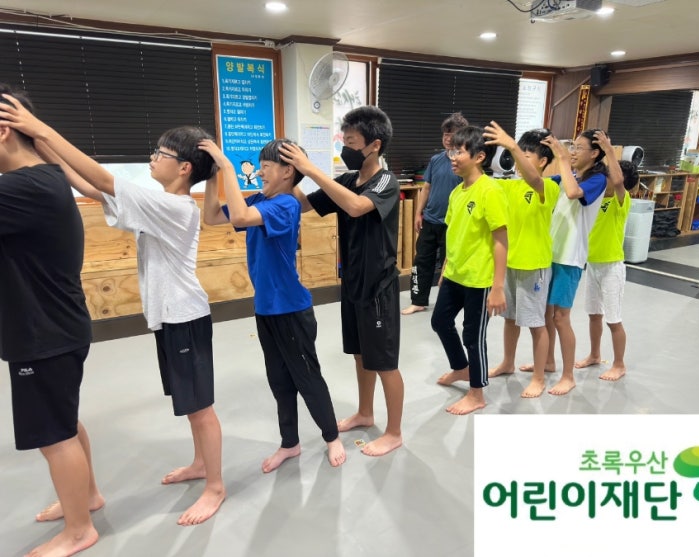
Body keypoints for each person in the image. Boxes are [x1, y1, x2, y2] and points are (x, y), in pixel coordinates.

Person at [1, 95, 226, 526]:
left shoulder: (174, 207)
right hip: (167, 316)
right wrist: (41, 147)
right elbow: (91, 187)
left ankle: (215, 486)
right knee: (189, 402)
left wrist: (40, 129)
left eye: (160, 153)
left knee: (200, 407)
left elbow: (103, 179)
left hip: (185, 316)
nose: (152, 158)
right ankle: (201, 464)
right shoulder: (156, 202)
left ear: (184, 168)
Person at [200, 138, 346, 472]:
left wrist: (226, 166)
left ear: (287, 172)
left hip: (291, 309)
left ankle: (332, 437)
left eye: (266, 166)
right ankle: (289, 443)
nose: (261, 171)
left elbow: (239, 214)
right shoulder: (260, 200)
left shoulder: (285, 205)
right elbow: (211, 216)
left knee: (307, 378)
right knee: (279, 380)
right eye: (261, 165)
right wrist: (210, 176)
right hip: (266, 308)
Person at [0, 85, 103, 557]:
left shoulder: (25, 187)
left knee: (54, 436)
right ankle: (87, 496)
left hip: (43, 332)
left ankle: (80, 530)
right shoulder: (42, 180)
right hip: (52, 328)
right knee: (63, 421)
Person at [278, 106, 404, 457]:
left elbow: (356, 207)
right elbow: (305, 205)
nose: (345, 149)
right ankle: (365, 412)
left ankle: (394, 432)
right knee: (361, 355)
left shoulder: (386, 182)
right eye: (343, 141)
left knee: (385, 362)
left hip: (378, 287)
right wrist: (292, 175)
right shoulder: (347, 180)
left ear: (374, 145)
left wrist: (311, 168)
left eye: (351, 142)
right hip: (352, 282)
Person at [525, 129, 618, 395]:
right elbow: (540, 183)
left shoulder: (598, 179)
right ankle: (548, 362)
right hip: (550, 254)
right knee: (546, 314)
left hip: (570, 258)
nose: (573, 152)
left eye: (578, 148)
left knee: (561, 317)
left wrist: (563, 160)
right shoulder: (568, 174)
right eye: (572, 147)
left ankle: (568, 376)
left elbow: (573, 192)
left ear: (595, 153)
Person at [432, 126, 508, 415]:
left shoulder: (490, 191)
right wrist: (446, 267)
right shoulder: (457, 192)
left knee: (473, 337)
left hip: (480, 279)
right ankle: (461, 368)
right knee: (440, 321)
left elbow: (501, 240)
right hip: (455, 274)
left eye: (459, 151)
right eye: (452, 151)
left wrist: (497, 287)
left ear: (479, 156)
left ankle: (477, 393)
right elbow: (454, 233)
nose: (452, 156)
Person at [483, 124, 560, 398]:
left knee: (536, 324)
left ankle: (539, 377)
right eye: (518, 155)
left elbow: (534, 180)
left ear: (543, 161)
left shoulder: (549, 187)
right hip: (510, 264)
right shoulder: (509, 186)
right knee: (510, 319)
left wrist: (512, 145)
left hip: (534, 265)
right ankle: (508, 362)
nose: (518, 161)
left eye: (526, 156)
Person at [575, 146, 637, 381]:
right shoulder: (597, 199)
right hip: (593, 265)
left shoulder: (622, 201)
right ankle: (594, 355)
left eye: (609, 175)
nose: (605, 178)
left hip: (612, 267)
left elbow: (618, 182)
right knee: (594, 314)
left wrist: (609, 150)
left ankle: (619, 364)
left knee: (613, 319)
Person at [402, 112, 469, 315]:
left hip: (453, 224)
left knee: (450, 266)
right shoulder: (436, 159)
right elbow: (427, 187)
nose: (447, 138)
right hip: (430, 220)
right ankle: (418, 301)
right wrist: (418, 213)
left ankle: (448, 304)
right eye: (445, 134)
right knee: (421, 262)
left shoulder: (465, 163)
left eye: (452, 134)